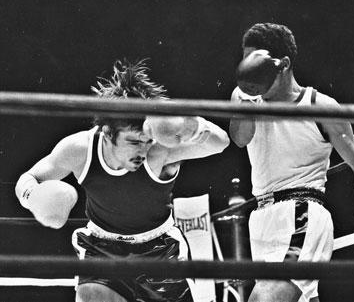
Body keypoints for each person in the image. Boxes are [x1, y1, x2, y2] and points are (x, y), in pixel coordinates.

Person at [15, 59, 230, 302]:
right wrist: (33, 197)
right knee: (91, 297)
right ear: (108, 134)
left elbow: (220, 143)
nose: (143, 150)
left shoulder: (158, 152)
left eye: (146, 140)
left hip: (160, 251)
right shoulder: (80, 149)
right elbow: (29, 178)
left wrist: (189, 124)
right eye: (134, 141)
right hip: (102, 250)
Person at [229, 22, 354, 302]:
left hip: (301, 213)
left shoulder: (319, 107)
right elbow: (240, 138)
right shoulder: (246, 100)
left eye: (257, 63)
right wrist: (245, 98)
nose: (249, 70)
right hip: (262, 221)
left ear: (283, 64)